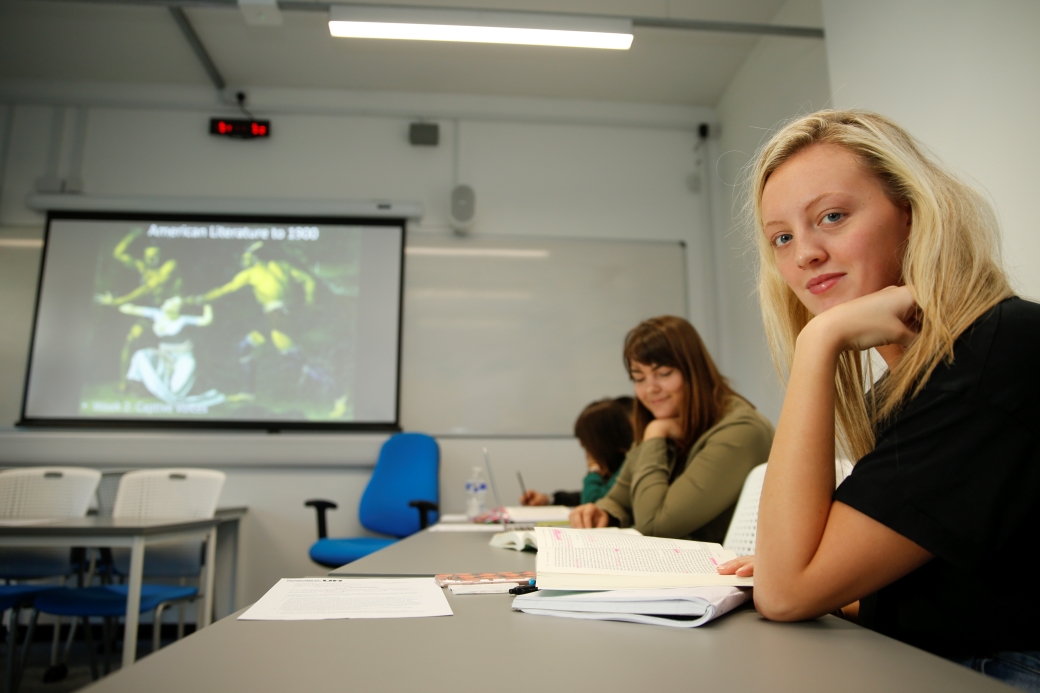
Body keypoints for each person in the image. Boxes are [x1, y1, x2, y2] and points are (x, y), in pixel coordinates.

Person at [716, 109, 1040, 691]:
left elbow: (786, 596)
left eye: (832, 217)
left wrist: (818, 344)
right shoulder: (897, 389)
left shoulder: (999, 351)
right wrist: (823, 580)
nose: (804, 254)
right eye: (782, 238)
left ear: (912, 214)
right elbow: (956, 590)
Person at [569, 316, 774, 542]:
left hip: (716, 571)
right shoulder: (671, 417)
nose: (650, 389)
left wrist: (656, 435)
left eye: (664, 374)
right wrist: (602, 513)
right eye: (639, 378)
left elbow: (656, 525)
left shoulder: (741, 431)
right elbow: (617, 498)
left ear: (695, 372)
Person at [520, 396, 634, 507]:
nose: (587, 455)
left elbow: (593, 503)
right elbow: (588, 495)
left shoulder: (628, 465)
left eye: (587, 447)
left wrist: (593, 470)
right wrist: (549, 499)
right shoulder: (617, 466)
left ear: (601, 443)